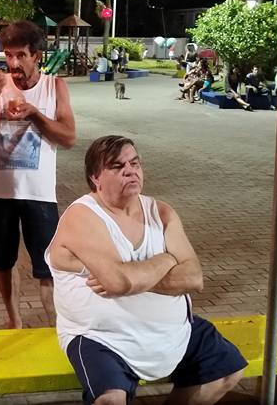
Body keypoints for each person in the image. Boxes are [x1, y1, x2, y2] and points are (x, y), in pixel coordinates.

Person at [46, 136, 246, 405]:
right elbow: (119, 282)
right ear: (95, 177)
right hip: (103, 337)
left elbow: (194, 278)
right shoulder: (82, 216)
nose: (130, 171)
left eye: (135, 163)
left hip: (172, 331)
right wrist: (167, 259)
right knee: (110, 400)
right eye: (117, 166)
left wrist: (133, 277)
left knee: (226, 371)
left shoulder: (161, 212)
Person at [0, 20, 77, 328]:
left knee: (48, 267)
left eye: (21, 55)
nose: (13, 63)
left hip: (39, 194)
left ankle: (56, 328)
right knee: (3, 261)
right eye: (8, 55)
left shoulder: (55, 86)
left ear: (37, 56)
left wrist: (35, 114)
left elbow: (68, 137)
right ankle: (14, 321)